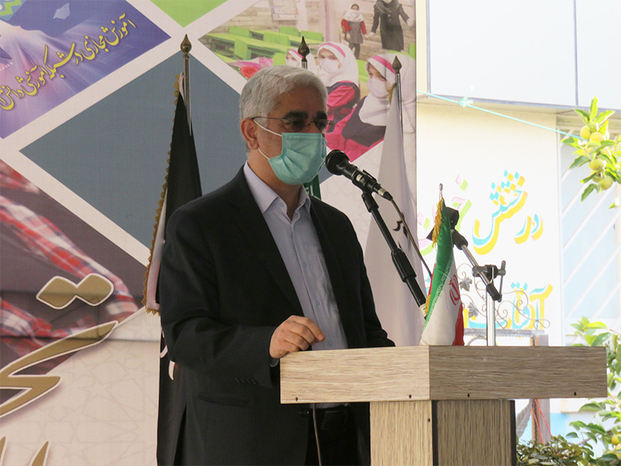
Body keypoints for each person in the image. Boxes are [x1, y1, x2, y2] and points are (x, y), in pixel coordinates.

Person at [159, 66, 394, 465]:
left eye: (320, 122)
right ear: (251, 132)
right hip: (253, 444)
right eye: (295, 122)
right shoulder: (201, 224)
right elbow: (185, 334)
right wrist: (266, 344)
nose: (312, 134)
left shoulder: (336, 227)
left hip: (344, 442)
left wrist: (417, 367)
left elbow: (365, 331)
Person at [327, 53, 415, 161]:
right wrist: (329, 149)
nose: (373, 80)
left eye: (381, 77)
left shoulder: (404, 118)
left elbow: (377, 156)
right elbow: (341, 126)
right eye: (371, 74)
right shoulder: (367, 101)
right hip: (338, 154)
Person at [316, 42, 360, 131]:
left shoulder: (347, 86)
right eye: (322, 57)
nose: (326, 61)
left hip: (335, 126)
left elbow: (323, 107)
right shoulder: (324, 78)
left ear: (344, 60)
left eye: (333, 58)